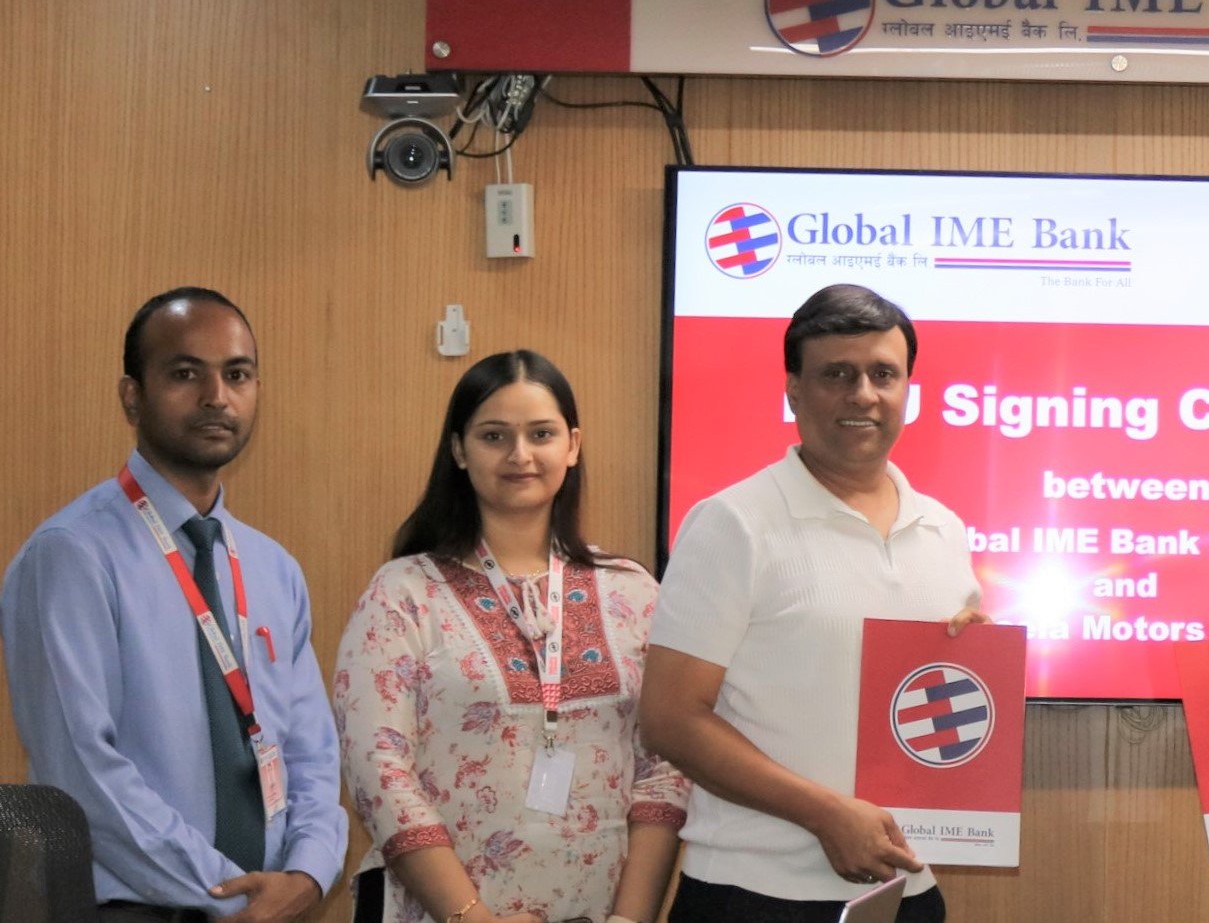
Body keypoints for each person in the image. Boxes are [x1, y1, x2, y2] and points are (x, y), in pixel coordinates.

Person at [641, 284, 986, 923]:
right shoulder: (732, 523)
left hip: (906, 892)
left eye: (883, 374)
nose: (863, 394)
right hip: (755, 895)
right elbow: (669, 718)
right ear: (794, 391)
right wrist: (824, 814)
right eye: (837, 375)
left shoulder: (944, 529)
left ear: (908, 388)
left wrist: (978, 660)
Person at [1, 287, 347, 923]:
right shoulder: (72, 555)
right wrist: (230, 893)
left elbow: (312, 755)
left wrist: (307, 872)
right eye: (186, 374)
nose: (217, 396)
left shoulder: (274, 568)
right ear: (132, 396)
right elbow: (82, 772)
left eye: (237, 375)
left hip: (269, 907)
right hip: (135, 910)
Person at [331, 350, 686, 923]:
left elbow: (665, 768)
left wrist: (629, 919)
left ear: (572, 446)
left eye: (541, 434)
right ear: (459, 450)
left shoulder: (634, 592)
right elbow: (379, 770)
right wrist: (473, 918)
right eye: (494, 436)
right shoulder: (402, 593)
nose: (520, 455)